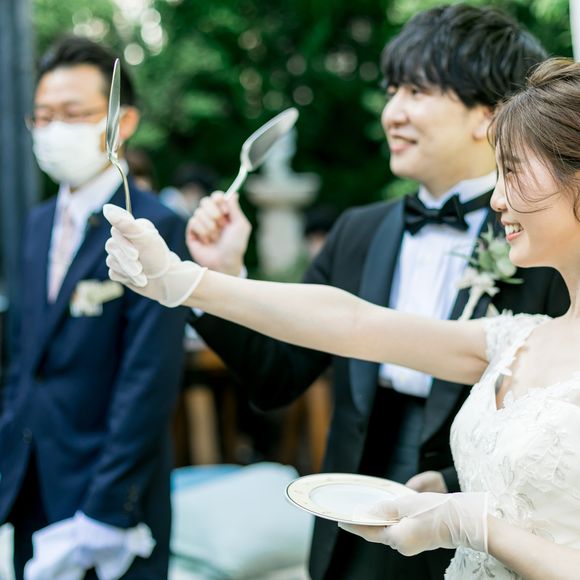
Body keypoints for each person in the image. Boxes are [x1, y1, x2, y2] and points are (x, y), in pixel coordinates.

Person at [105, 55, 580, 580]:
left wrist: (478, 527)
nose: (497, 198)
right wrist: (182, 280)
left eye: (513, 171)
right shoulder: (520, 338)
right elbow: (354, 324)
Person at [0, 37, 188, 579]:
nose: (53, 129)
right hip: (31, 477)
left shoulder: (153, 225)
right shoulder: (36, 223)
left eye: (73, 113)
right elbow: (23, 358)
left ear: (121, 122)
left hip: (110, 491)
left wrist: (110, 507)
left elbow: (148, 379)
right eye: (43, 116)